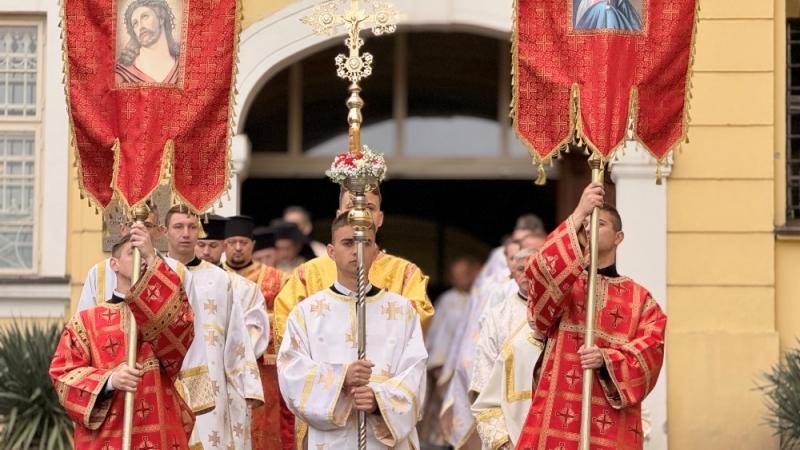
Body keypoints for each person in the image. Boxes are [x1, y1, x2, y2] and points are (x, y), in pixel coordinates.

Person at [516, 182, 667, 450]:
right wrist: (578, 212)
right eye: (586, 224)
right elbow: (539, 271)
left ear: (619, 237)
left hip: (610, 415)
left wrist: (607, 359)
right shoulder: (568, 284)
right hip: (561, 405)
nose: (589, 228)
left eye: (600, 224)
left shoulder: (640, 299)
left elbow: (651, 351)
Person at [277, 213, 428, 449]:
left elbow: (415, 374)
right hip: (331, 441)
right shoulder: (306, 313)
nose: (356, 251)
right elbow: (290, 372)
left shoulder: (402, 312)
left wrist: (379, 400)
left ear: (375, 250)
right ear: (331, 251)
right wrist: (341, 378)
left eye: (365, 243)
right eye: (348, 243)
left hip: (384, 441)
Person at [50, 227, 195, 449]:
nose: (140, 258)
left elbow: (181, 324)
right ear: (114, 264)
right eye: (132, 252)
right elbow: (63, 373)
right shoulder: (87, 321)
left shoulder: (161, 315)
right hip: (109, 433)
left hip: (158, 426)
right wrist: (108, 381)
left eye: (143, 253)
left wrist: (151, 256)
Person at [274, 186, 434, 349]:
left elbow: (416, 327)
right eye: (351, 207)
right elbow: (287, 327)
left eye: (369, 208)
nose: (361, 215)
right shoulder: (307, 274)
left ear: (380, 218)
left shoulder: (406, 273)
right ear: (338, 216)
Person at [164, 205, 269, 450]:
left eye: (192, 227)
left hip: (212, 382)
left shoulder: (221, 279)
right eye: (179, 227)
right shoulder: (153, 275)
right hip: (166, 378)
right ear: (164, 231)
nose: (186, 233)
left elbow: (237, 336)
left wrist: (247, 384)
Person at [222, 215, 290, 450]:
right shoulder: (214, 277)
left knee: (264, 424)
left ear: (252, 244)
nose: (237, 248)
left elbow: (288, 317)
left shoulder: (277, 279)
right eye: (232, 242)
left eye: (243, 242)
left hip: (263, 368)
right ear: (224, 245)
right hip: (224, 367)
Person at [420, 256, 481, 448]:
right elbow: (439, 335)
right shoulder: (447, 300)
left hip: (469, 369)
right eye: (457, 275)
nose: (461, 279)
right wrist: (438, 365)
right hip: (446, 369)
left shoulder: (479, 297)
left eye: (464, 274)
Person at [77, 203, 164, 311]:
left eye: (147, 225)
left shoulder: (170, 270)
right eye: (132, 224)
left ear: (158, 231)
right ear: (122, 229)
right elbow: (86, 321)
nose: (139, 231)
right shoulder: (98, 272)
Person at [116, 0, 180, 84]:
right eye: (135, 23)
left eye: (145, 17)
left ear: (161, 18)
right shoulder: (122, 73)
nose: (140, 27)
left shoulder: (182, 65)